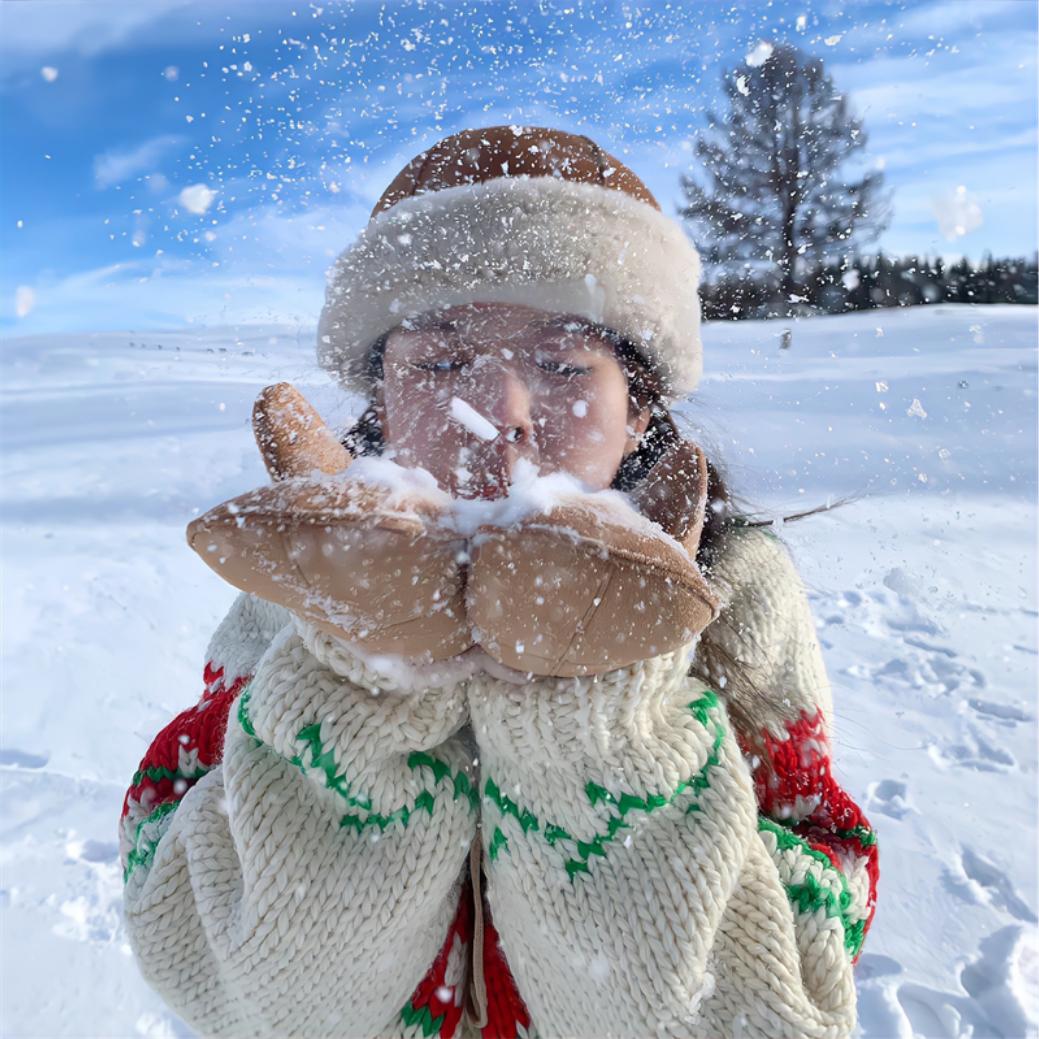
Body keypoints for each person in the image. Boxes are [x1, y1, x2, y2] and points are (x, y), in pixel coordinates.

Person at [119, 126, 878, 1039]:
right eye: (439, 363)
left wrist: (594, 718)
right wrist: (361, 678)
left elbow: (781, 993)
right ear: (381, 404)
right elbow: (227, 982)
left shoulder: (729, 590)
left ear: (640, 410)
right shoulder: (300, 591)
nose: (498, 416)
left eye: (563, 365)